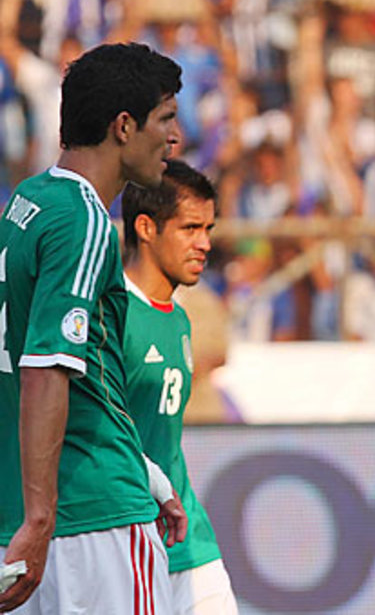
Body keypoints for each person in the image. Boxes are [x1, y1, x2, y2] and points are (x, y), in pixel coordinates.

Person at [0, 42, 187, 613]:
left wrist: (150, 473)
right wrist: (40, 515)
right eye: (166, 119)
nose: (174, 138)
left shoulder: (27, 202)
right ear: (124, 126)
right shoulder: (86, 222)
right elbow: (47, 369)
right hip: (91, 518)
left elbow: (83, 381)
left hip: (32, 512)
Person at [121, 160, 238, 614]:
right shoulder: (111, 316)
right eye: (190, 228)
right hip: (126, 538)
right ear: (147, 227)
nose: (205, 243)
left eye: (208, 228)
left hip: (189, 540)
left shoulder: (181, 318)